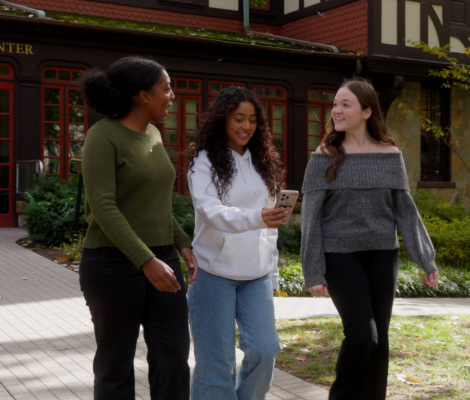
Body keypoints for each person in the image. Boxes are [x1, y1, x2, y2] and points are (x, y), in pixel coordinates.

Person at [300, 79, 439, 399]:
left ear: (366, 111)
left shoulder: (390, 155)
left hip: (382, 254)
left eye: (345, 104)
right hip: (339, 254)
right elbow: (310, 218)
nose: (336, 109)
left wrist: (424, 257)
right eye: (335, 103)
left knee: (381, 341)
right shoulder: (323, 156)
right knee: (363, 336)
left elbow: (404, 209)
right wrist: (313, 270)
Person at [78, 56, 198, 400]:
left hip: (162, 257)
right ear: (143, 96)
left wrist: (182, 243)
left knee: (173, 357)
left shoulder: (154, 134)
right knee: (116, 365)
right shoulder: (102, 136)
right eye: (167, 88)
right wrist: (145, 260)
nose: (172, 95)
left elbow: (154, 202)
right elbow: (103, 206)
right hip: (112, 263)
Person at [185, 86, 289, 400]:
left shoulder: (263, 162)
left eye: (252, 120)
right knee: (217, 364)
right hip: (213, 274)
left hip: (255, 276)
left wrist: (271, 273)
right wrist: (258, 217)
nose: (246, 126)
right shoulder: (203, 162)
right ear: (223, 120)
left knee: (265, 350)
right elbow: (211, 212)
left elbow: (270, 227)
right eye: (238, 118)